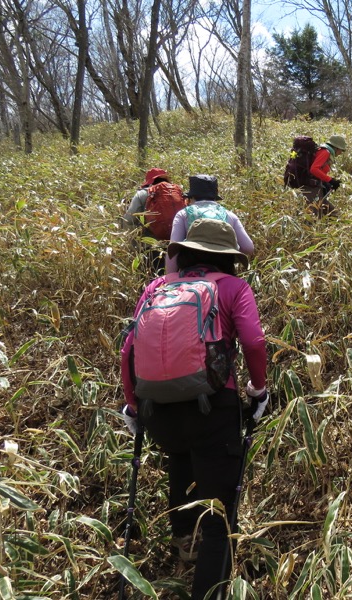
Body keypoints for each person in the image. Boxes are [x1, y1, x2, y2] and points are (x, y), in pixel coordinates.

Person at [120, 218, 268, 600]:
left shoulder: (155, 287)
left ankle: (185, 544)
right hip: (213, 408)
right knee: (220, 510)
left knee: (181, 464)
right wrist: (259, 390)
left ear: (182, 252)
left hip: (158, 409)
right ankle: (210, 589)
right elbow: (253, 342)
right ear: (228, 258)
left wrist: (133, 408)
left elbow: (128, 349)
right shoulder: (233, 287)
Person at [165, 174, 254, 274]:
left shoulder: (183, 214)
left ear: (191, 197)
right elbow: (248, 247)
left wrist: (170, 278)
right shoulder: (230, 215)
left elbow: (173, 251)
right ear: (215, 197)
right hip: (223, 270)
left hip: (191, 271)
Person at [122, 168, 186, 275]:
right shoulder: (177, 192)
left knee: (149, 282)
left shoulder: (142, 194)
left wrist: (132, 245)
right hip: (175, 247)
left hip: (149, 247)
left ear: (149, 181)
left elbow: (128, 220)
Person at [303, 134, 346, 218]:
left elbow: (319, 170)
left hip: (313, 185)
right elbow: (314, 169)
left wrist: (327, 182)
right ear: (336, 148)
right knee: (317, 214)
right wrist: (330, 180)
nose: (341, 153)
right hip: (311, 186)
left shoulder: (324, 151)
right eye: (341, 150)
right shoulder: (325, 152)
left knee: (322, 212)